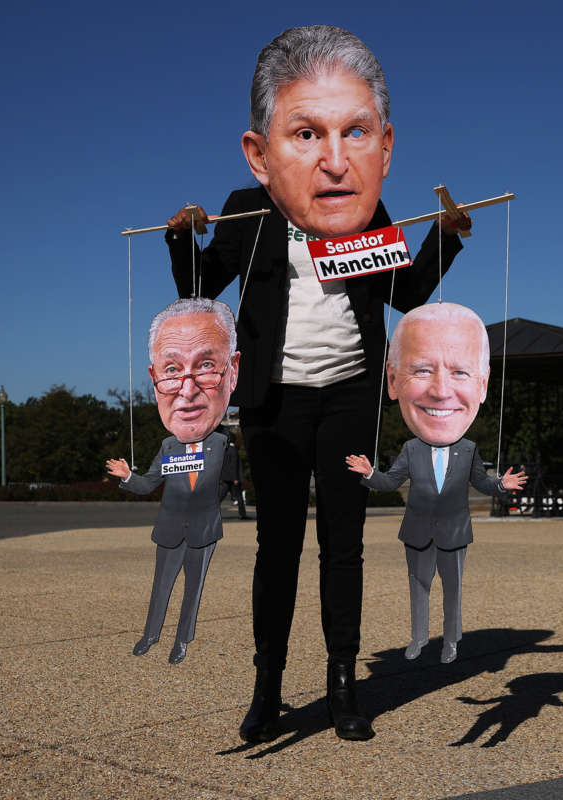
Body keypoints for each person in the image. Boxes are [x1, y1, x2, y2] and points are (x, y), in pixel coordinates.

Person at [164, 25, 472, 742]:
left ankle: (342, 687)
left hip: (350, 397)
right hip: (273, 400)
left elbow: (409, 291)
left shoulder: (362, 211)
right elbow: (204, 290)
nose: (330, 163)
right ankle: (267, 688)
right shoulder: (247, 207)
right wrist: (183, 238)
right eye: (303, 137)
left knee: (344, 544)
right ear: (265, 154)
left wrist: (447, 234)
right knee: (276, 548)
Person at [345, 303, 527, 664]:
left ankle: (452, 642)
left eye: (460, 372)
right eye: (422, 370)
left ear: (484, 384)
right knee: (418, 589)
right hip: (416, 532)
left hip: (455, 533)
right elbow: (391, 480)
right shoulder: (410, 449)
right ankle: (418, 639)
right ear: (392, 381)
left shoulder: (470, 450)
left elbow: (483, 483)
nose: (441, 391)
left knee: (453, 591)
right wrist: (368, 474)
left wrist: (502, 485)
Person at [106, 298, 240, 664]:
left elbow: (229, 483)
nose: (187, 389)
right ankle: (150, 635)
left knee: (192, 591)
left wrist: (218, 501)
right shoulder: (168, 446)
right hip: (168, 530)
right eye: (171, 371)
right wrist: (127, 476)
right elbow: (150, 484)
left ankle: (182, 641)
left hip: (203, 530)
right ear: (154, 379)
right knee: (160, 587)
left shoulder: (221, 444)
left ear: (232, 371)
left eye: (207, 366)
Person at [217, 426, 249, 520]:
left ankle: (213, 514)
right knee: (239, 497)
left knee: (219, 497)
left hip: (224, 477)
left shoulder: (224, 450)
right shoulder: (233, 450)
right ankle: (242, 514)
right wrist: (235, 478)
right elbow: (234, 465)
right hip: (233, 478)